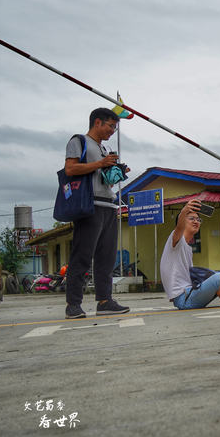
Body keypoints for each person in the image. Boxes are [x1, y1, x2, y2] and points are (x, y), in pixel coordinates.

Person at [63, 108, 130, 319]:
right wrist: (101, 163)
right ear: (98, 122)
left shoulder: (103, 148)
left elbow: (102, 178)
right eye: (111, 126)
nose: (113, 131)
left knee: (106, 258)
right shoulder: (79, 141)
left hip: (109, 205)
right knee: (82, 256)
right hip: (89, 205)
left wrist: (116, 171)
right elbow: (70, 169)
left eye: (115, 127)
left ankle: (104, 301)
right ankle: (72, 304)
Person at [160, 200, 220, 309]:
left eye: (198, 219)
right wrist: (185, 210)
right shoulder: (176, 241)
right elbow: (179, 228)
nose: (196, 221)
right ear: (182, 220)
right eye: (191, 218)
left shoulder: (188, 248)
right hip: (184, 298)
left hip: (193, 290)